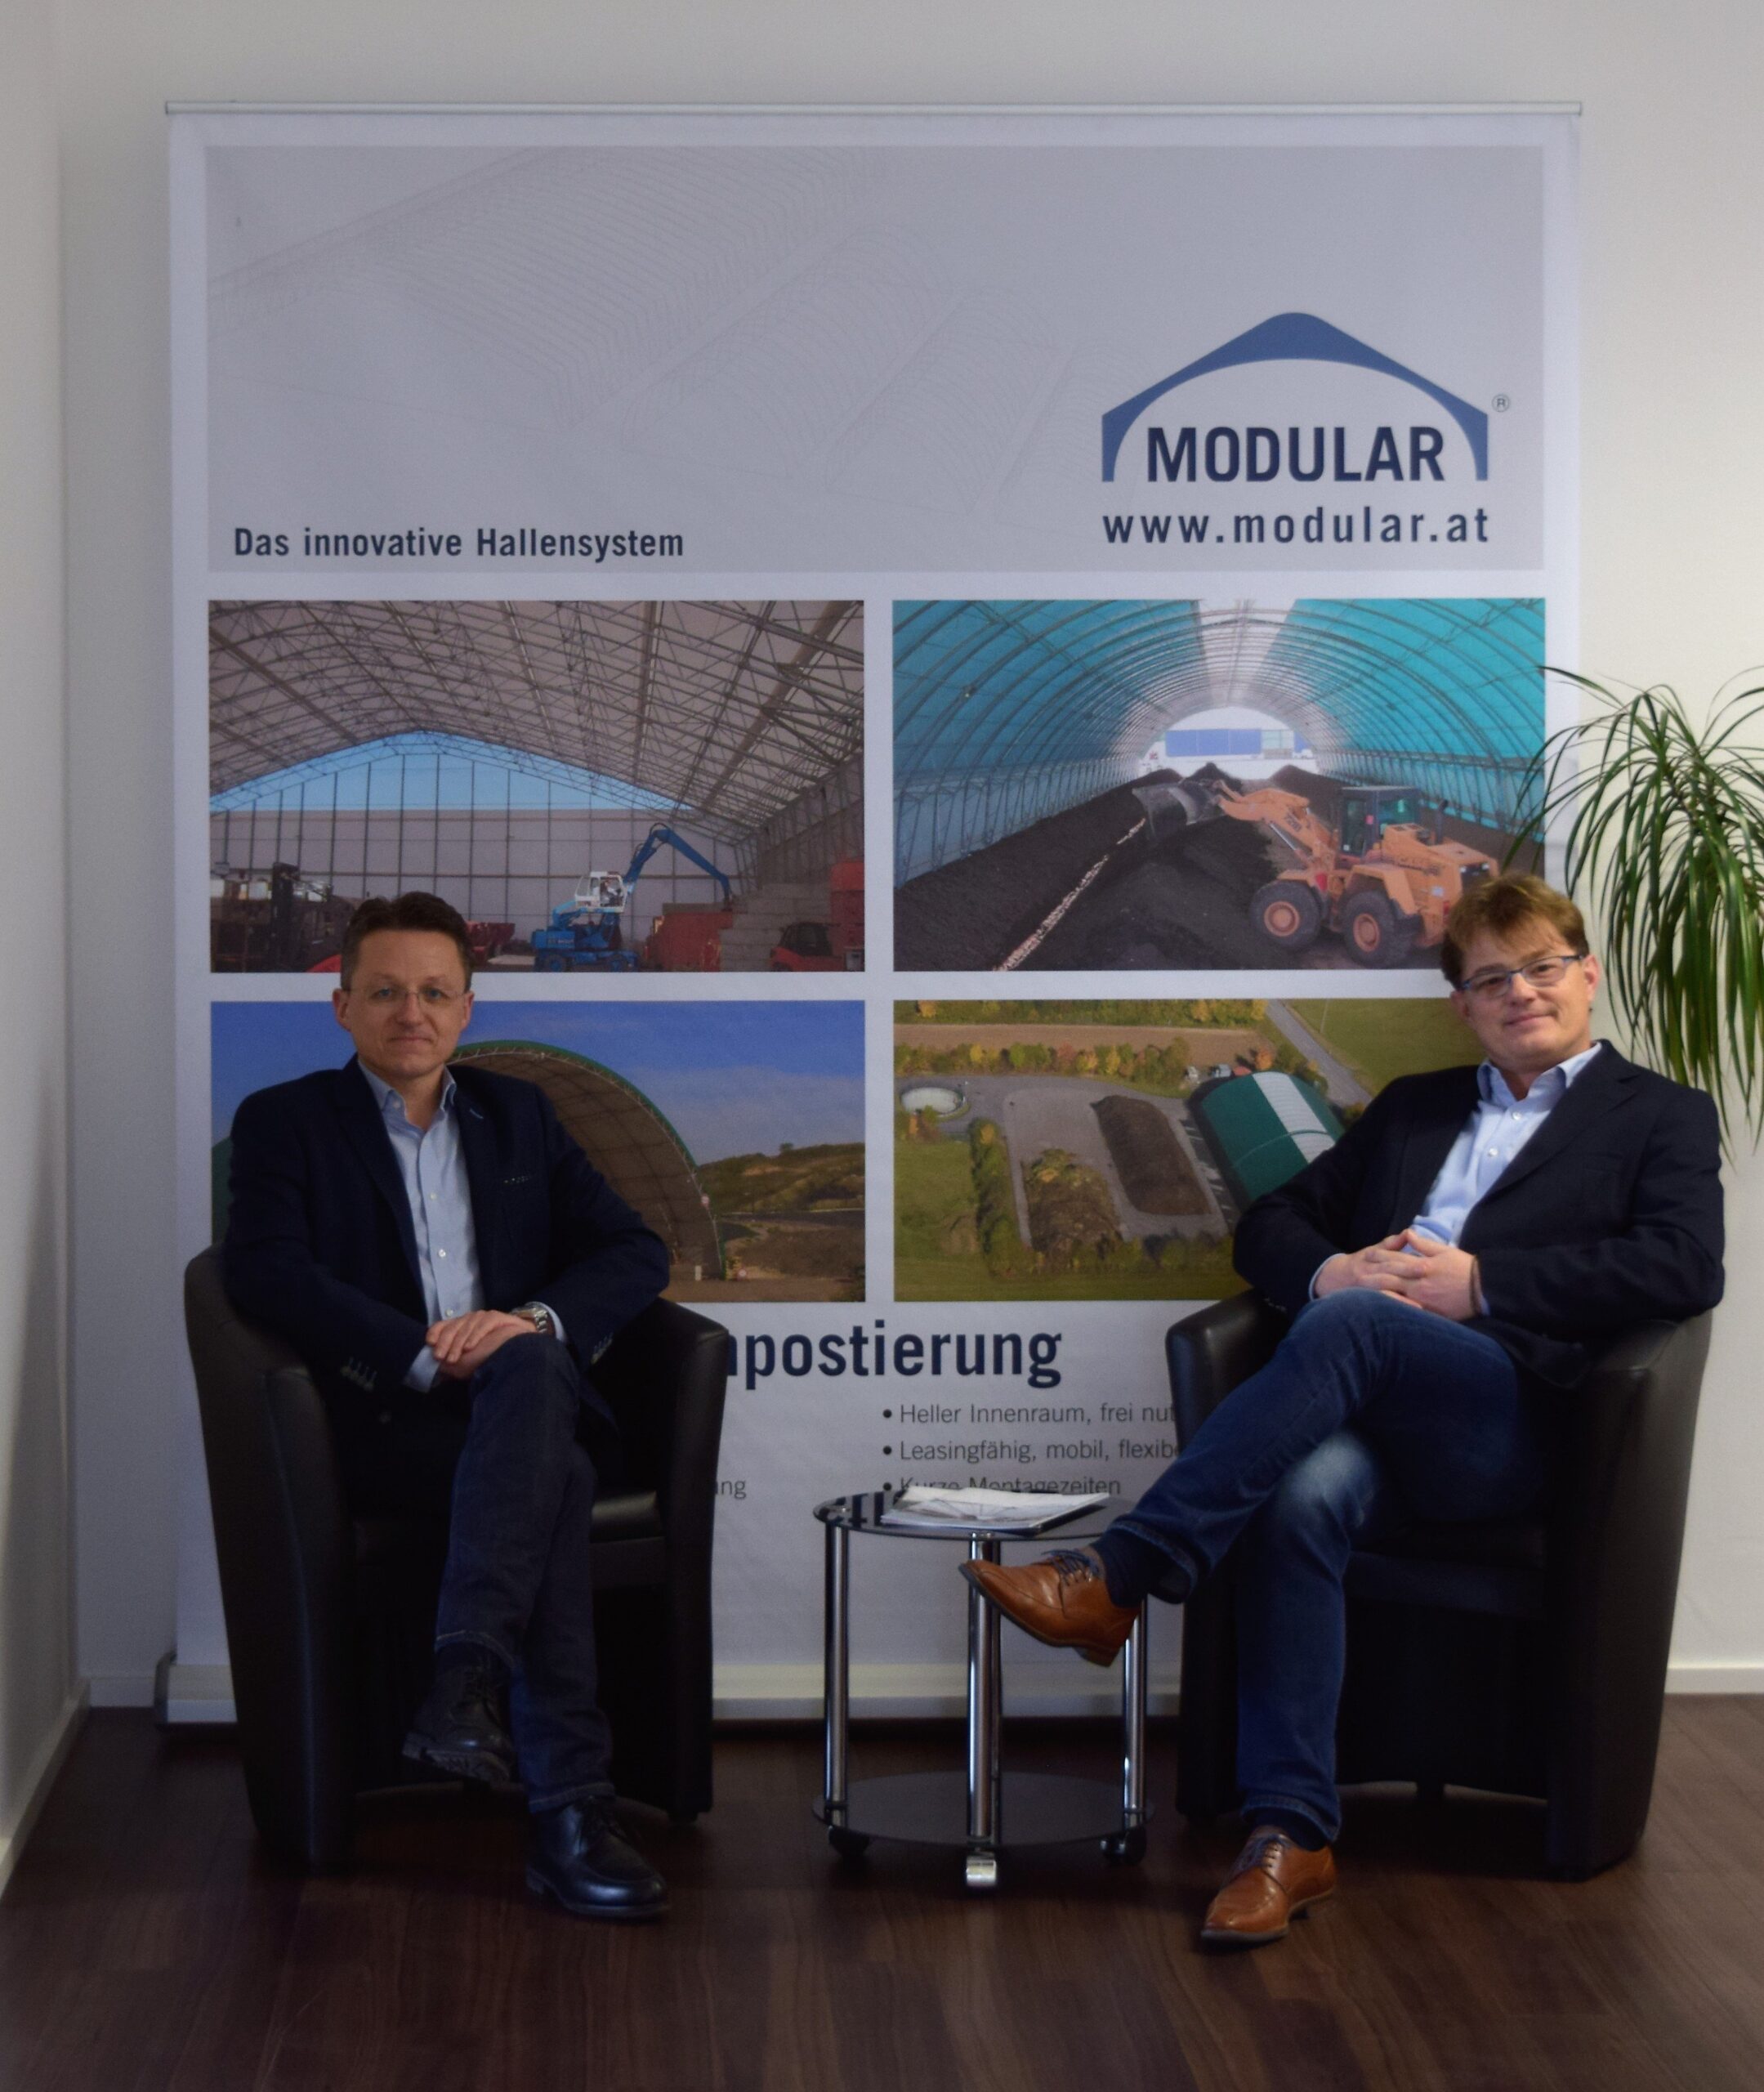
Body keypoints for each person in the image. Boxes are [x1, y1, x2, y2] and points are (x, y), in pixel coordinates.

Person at [962, 874, 1724, 1947]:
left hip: (1511, 1419)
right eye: (1491, 979)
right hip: (1366, 1418)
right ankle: (1291, 1835)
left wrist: (1480, 1285)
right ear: (1460, 1004)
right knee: (1298, 1495)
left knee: (1358, 1327)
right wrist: (1332, 1271)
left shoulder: (1657, 1116)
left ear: (1585, 975)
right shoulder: (1414, 1108)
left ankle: (1118, 1573)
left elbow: (1682, 1266)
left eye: (1541, 967)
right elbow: (1269, 1223)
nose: (1520, 992)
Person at [223, 891, 673, 1921]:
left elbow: (634, 1250)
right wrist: (421, 1354)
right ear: (342, 1005)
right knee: (556, 1475)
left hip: (519, 1398)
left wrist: (525, 1321)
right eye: (385, 991)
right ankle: (568, 1812)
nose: (410, 1012)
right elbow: (263, 1270)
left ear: (467, 1007)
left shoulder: (520, 1116)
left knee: (533, 1368)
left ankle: (463, 1684)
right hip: (388, 1422)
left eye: (433, 992)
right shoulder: (285, 1122)